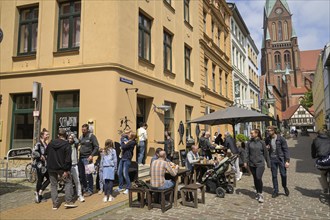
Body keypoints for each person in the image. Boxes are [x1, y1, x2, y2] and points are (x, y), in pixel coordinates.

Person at [46, 128, 77, 210]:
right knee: (68, 182)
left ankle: (55, 204)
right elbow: (68, 159)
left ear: (58, 135)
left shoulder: (51, 143)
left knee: (53, 185)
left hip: (51, 167)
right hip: (62, 168)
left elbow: (46, 153)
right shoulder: (67, 145)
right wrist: (66, 170)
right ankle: (68, 201)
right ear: (65, 135)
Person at [244, 129, 270, 203]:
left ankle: (260, 193)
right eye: (250, 133)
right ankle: (257, 191)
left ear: (257, 134)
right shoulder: (249, 143)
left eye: (252, 133)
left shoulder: (262, 143)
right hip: (252, 164)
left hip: (260, 163)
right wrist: (245, 162)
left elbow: (266, 153)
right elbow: (246, 153)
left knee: (259, 177)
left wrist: (268, 163)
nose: (251, 134)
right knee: (255, 178)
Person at [266, 126, 290, 198]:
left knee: (283, 174)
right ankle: (276, 190)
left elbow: (286, 150)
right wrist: (267, 147)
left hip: (281, 159)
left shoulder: (281, 139)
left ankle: (284, 186)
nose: (268, 132)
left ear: (274, 131)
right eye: (268, 131)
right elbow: (265, 146)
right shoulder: (267, 139)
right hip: (272, 159)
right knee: (274, 175)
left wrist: (287, 161)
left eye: (269, 131)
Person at [78, 124, 99, 197]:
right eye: (82, 129)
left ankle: (90, 190)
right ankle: (85, 188)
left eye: (84, 130)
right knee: (82, 175)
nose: (83, 131)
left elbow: (97, 146)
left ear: (87, 130)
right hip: (81, 158)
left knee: (89, 174)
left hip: (88, 158)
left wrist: (91, 155)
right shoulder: (81, 137)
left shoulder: (91, 136)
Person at [32, 129, 50, 203]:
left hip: (45, 165)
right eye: (46, 134)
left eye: (48, 134)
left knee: (49, 178)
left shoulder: (45, 143)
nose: (48, 136)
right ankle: (39, 195)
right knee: (40, 179)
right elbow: (33, 151)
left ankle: (39, 192)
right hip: (39, 165)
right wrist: (40, 156)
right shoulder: (38, 143)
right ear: (42, 135)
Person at [311, 129, 330, 194]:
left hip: (323, 162)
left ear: (318, 134)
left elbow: (313, 152)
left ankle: (325, 188)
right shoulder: (329, 139)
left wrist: (314, 156)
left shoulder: (315, 140)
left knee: (323, 174)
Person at [68, 133, 85, 202]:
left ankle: (79, 195)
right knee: (69, 182)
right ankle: (71, 195)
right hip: (68, 165)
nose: (70, 139)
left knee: (77, 180)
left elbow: (78, 141)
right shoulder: (66, 145)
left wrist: (73, 136)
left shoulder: (75, 144)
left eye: (71, 138)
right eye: (69, 138)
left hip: (74, 165)